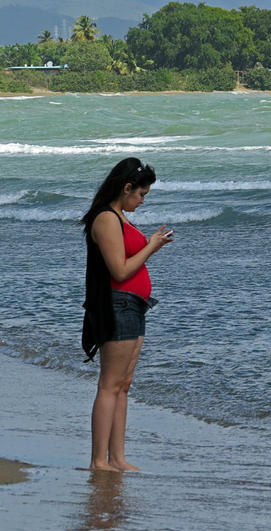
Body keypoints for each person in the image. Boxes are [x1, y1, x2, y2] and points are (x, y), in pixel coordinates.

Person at [81, 158, 173, 471]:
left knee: (124, 383)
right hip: (117, 303)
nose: (143, 200)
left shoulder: (122, 217)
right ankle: (98, 461)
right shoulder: (107, 219)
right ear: (126, 188)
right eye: (141, 194)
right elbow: (119, 271)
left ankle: (117, 458)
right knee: (110, 383)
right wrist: (151, 247)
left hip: (134, 304)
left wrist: (148, 245)